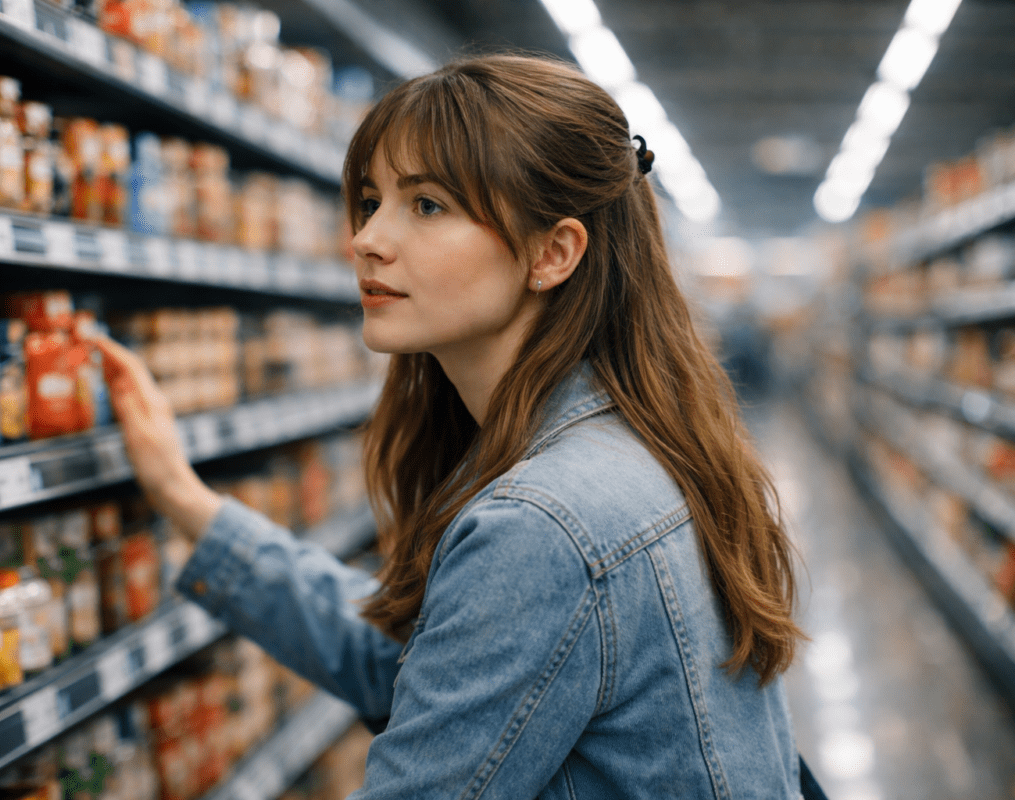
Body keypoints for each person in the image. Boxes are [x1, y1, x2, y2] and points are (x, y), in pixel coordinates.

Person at [94, 54, 808, 799]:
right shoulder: (623, 448)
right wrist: (185, 498)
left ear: (553, 252)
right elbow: (422, 675)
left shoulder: (544, 526)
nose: (367, 237)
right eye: (371, 200)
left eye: (427, 205)